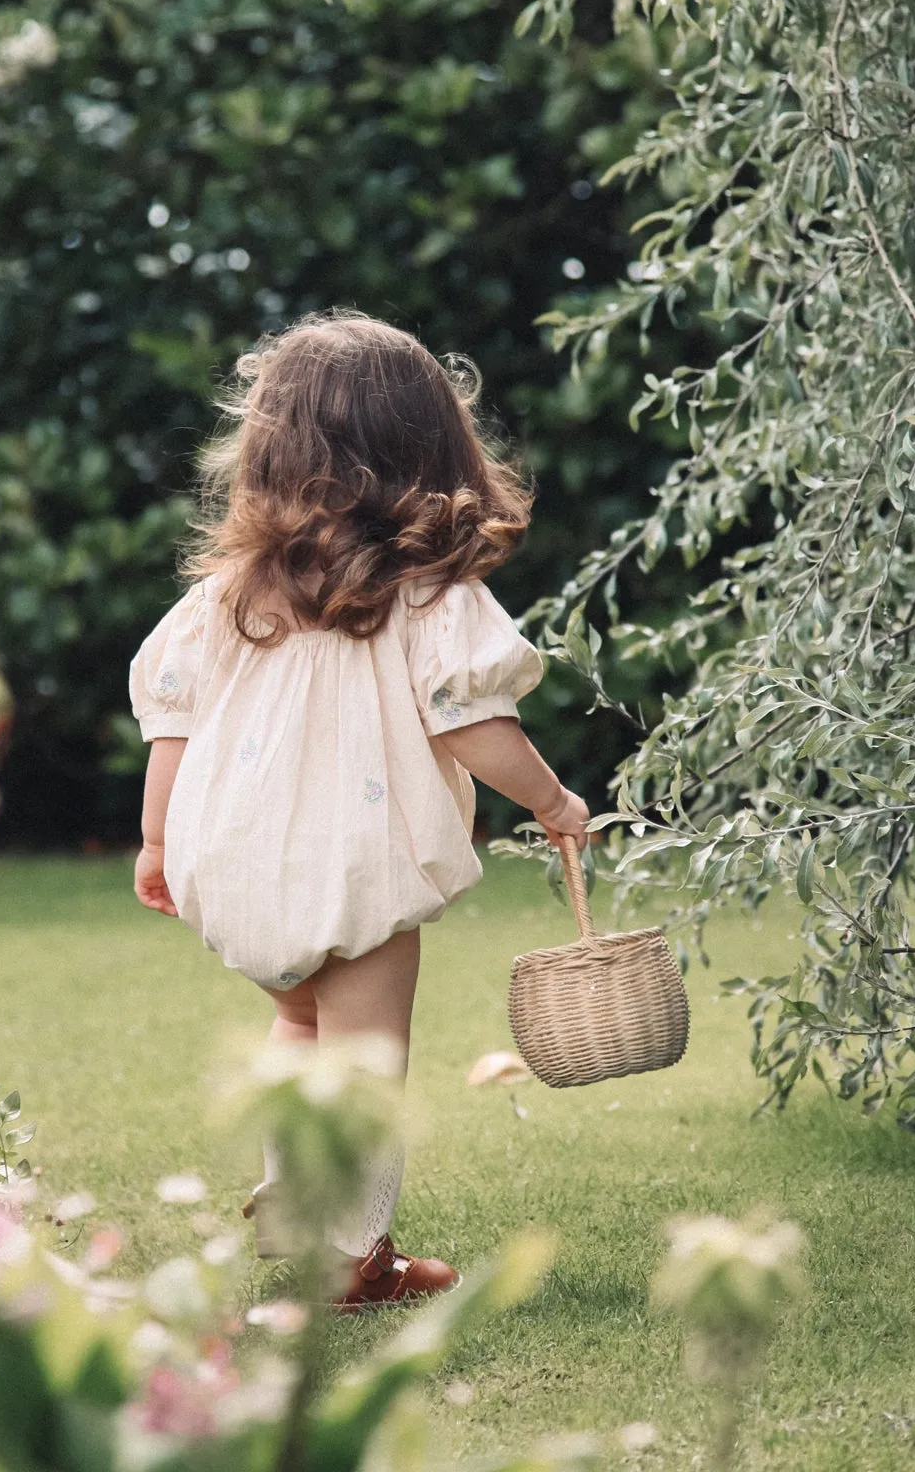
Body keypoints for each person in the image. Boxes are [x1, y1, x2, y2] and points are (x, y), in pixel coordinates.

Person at [129, 312, 589, 1310]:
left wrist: (157, 837)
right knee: (368, 1055)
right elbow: (472, 721)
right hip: (354, 860)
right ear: (429, 447)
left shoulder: (229, 594)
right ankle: (345, 1259)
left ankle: (303, 1216)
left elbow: (173, 718)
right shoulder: (427, 595)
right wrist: (551, 799)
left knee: (301, 1025)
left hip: (239, 861)